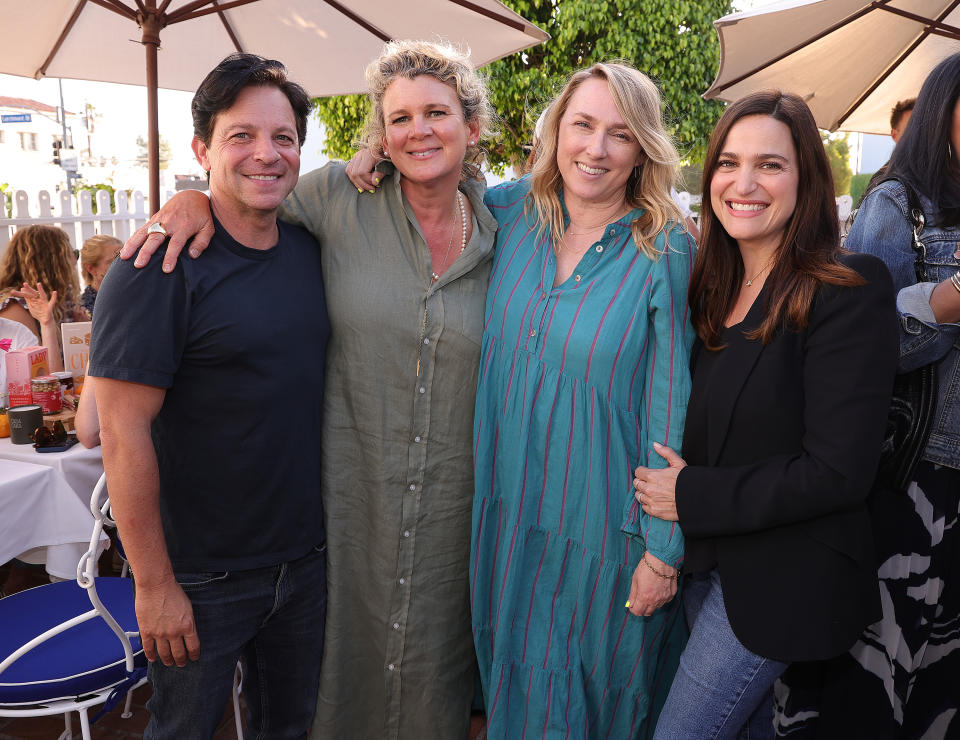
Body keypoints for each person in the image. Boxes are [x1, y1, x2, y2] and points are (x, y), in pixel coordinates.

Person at [120, 40, 499, 739]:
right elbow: (246, 204)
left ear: (471, 127)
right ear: (380, 136)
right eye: (401, 117)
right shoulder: (332, 200)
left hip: (435, 519)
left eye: (437, 113)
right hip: (332, 524)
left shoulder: (510, 228)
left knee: (386, 696)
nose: (418, 130)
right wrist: (189, 201)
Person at [632, 90, 899, 739]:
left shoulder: (848, 287)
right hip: (705, 567)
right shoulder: (709, 287)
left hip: (783, 581)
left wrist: (690, 494)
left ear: (806, 177)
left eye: (770, 165)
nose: (743, 183)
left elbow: (837, 470)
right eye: (729, 162)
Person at [90, 53, 329, 738]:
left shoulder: (310, 249)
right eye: (242, 136)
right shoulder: (158, 266)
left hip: (305, 565)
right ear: (202, 149)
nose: (267, 154)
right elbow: (119, 432)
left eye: (283, 137)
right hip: (200, 579)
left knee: (289, 729)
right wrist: (153, 585)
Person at [468, 63, 694, 737]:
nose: (596, 149)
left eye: (620, 134)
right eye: (583, 125)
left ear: (643, 148)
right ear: (555, 130)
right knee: (509, 681)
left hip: (602, 529)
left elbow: (670, 404)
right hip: (506, 514)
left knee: (584, 703)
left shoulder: (666, 246)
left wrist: (662, 551)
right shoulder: (508, 211)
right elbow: (419, 178)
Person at [778, 56, 960, 740]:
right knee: (875, 684)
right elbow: (868, 345)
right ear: (945, 110)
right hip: (915, 484)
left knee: (943, 691)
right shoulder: (900, 205)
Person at [0, 224, 87, 372]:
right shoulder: (15, 308)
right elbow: (43, 376)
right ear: (51, 260)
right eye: (72, 253)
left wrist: (82, 331)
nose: (75, 260)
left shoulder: (58, 300)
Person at [78, 233, 121, 317]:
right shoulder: (83, 310)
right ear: (91, 269)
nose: (123, 264)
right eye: (114, 260)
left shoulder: (131, 295)